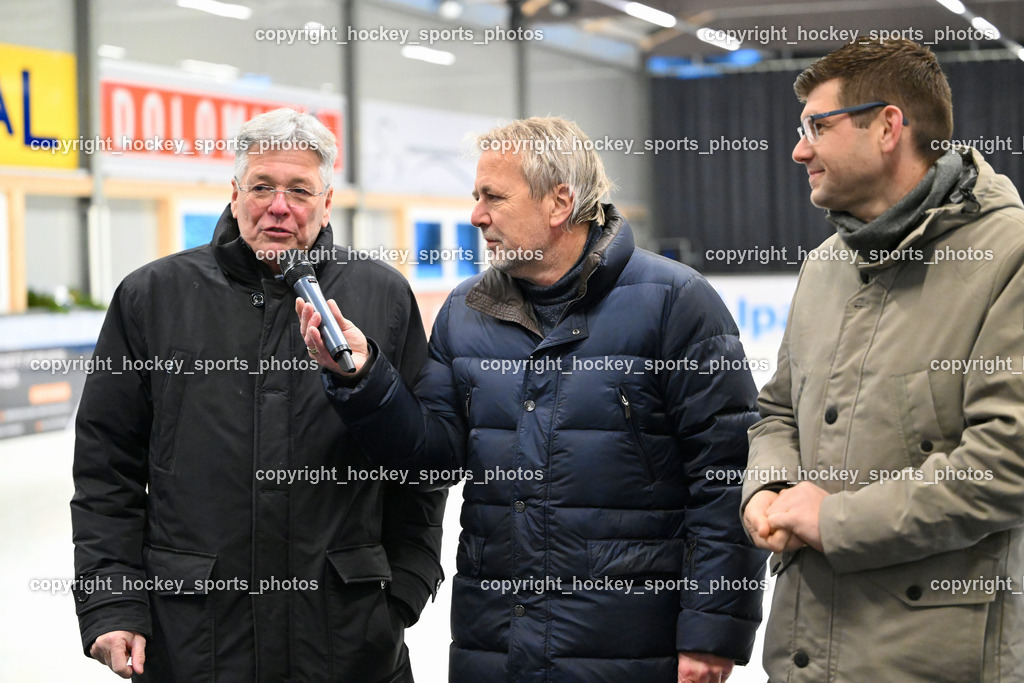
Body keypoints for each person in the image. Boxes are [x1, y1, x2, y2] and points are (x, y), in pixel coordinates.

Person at [299, 116, 767, 682]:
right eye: (476, 197)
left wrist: (712, 633)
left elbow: (726, 478)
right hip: (496, 646)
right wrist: (365, 379)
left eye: (493, 197)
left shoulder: (676, 303)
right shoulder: (465, 312)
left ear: (559, 203)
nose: (476, 215)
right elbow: (433, 460)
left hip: (632, 649)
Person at [71, 108, 445, 682]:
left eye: (300, 190)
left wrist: (407, 585)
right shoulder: (153, 296)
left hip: (348, 639)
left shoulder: (384, 297)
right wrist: (112, 600)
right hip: (195, 640)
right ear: (234, 193)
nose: (279, 205)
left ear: (326, 202)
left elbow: (421, 460)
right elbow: (106, 467)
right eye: (262, 186)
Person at [742, 38, 1024, 681]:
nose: (799, 150)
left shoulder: (1009, 260)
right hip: (801, 657)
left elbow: (1007, 465)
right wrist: (772, 487)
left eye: (817, 126)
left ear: (889, 127)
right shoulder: (824, 266)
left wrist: (835, 521)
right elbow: (777, 412)